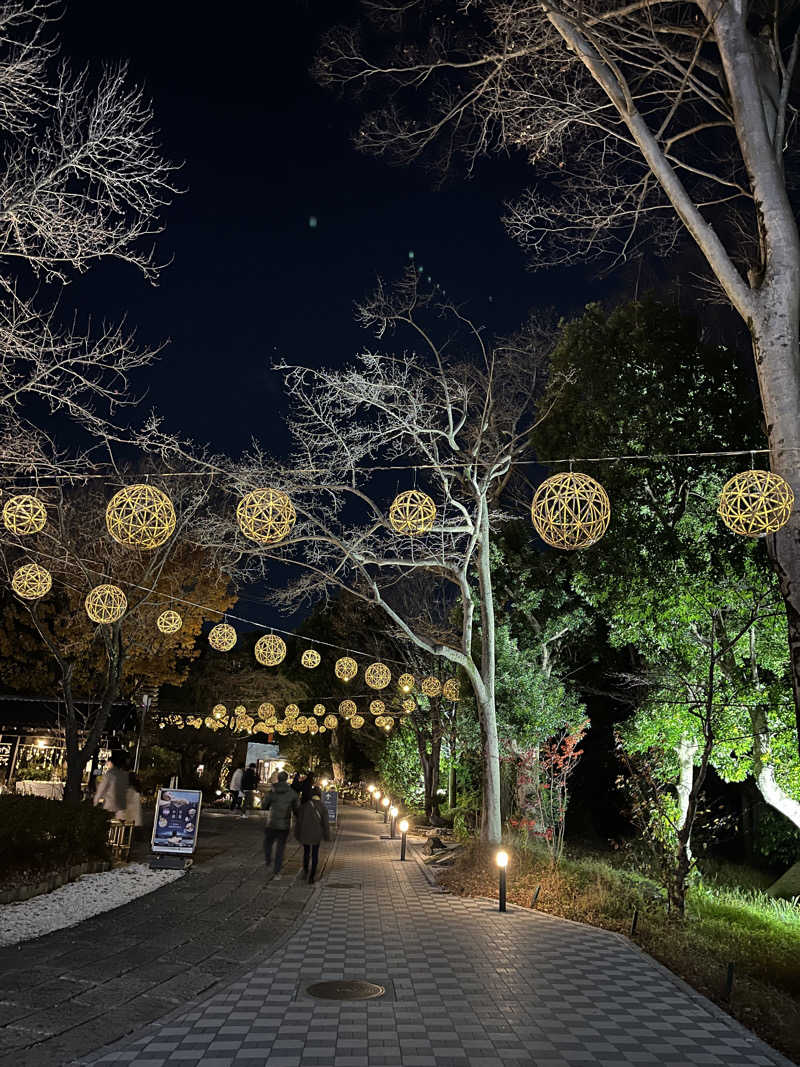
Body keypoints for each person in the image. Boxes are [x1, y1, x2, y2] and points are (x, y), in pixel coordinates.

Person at [263, 770, 299, 879]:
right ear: (287, 779)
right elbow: (296, 809)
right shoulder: (292, 793)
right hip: (284, 824)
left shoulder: (272, 791)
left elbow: (264, 806)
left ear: (278, 778)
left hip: (272, 822)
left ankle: (268, 859)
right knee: (280, 848)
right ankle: (277, 871)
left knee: (267, 842)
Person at [295, 785, 330, 884]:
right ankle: (312, 876)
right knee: (315, 854)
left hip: (305, 833)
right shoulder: (323, 807)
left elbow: (299, 822)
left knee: (306, 852)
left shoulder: (305, 806)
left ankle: (305, 870)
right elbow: (325, 824)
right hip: (316, 834)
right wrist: (327, 836)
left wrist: (297, 834)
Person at [93, 752, 130, 819]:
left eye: (108, 762)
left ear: (111, 763)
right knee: (119, 827)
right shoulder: (124, 775)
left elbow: (100, 791)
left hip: (109, 807)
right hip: (122, 806)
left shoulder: (109, 774)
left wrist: (95, 803)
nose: (107, 764)